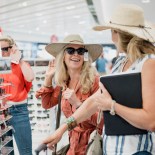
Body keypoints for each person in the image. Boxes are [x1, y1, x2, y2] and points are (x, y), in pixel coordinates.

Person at [40, 4, 155, 155]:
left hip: (136, 150)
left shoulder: (148, 63)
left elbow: (151, 121)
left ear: (116, 33)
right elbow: (94, 102)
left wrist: (112, 106)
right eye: (70, 51)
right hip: (111, 149)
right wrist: (62, 130)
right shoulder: (120, 63)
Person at [35, 34, 104, 155]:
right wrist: (48, 77)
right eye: (70, 50)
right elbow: (47, 104)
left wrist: (78, 104)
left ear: (85, 56)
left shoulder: (95, 81)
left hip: (91, 146)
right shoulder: (64, 83)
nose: (76, 54)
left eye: (81, 51)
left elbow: (102, 121)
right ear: (63, 56)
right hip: (72, 145)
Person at [0, 35, 34, 155]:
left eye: (5, 49)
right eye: (0, 49)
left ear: (12, 48)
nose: (3, 52)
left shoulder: (20, 65)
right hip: (1, 113)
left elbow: (30, 77)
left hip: (18, 111)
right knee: (5, 152)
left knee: (25, 152)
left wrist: (19, 58)